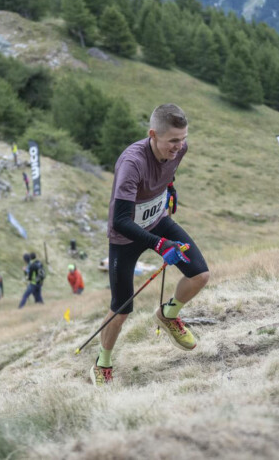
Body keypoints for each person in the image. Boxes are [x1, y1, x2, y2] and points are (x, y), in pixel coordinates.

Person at [90, 103, 209, 386]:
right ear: (153, 134)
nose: (179, 147)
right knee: (121, 309)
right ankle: (102, 363)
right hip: (127, 236)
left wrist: (170, 190)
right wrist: (159, 245)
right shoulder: (132, 163)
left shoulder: (180, 149)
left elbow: (168, 171)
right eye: (172, 141)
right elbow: (120, 220)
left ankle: (167, 315)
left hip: (158, 221)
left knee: (200, 274)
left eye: (182, 139)